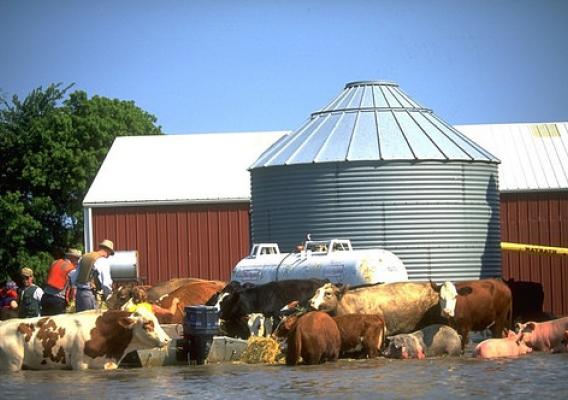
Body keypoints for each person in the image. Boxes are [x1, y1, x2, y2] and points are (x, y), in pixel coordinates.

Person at [71, 239, 114, 312]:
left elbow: (73, 278)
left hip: (79, 295)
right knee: (89, 321)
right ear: (108, 251)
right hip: (89, 294)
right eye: (110, 254)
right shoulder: (102, 261)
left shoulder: (84, 256)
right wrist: (109, 297)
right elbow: (106, 284)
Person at [41, 248, 81, 316]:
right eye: (77, 258)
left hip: (45, 297)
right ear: (71, 257)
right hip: (57, 301)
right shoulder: (72, 270)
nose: (78, 261)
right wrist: (72, 302)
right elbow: (74, 290)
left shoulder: (54, 263)